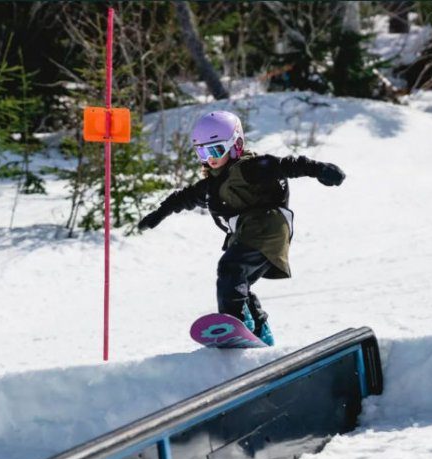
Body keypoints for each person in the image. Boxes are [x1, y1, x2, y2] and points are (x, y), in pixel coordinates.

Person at [137, 110, 346, 345]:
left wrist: (321, 169)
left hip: (267, 228)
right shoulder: (213, 184)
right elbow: (185, 197)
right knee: (238, 283)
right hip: (250, 234)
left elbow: (286, 165)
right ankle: (259, 331)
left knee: (231, 268)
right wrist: (159, 213)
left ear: (235, 145)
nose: (210, 158)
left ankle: (236, 321)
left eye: (216, 150)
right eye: (202, 152)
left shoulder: (250, 167)